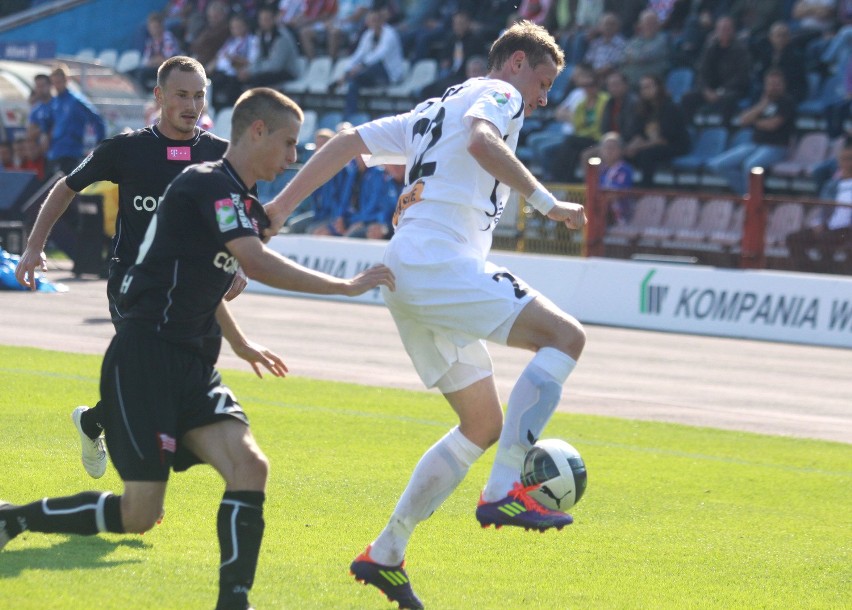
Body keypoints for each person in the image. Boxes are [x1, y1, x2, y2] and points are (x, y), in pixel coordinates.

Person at [0, 87, 395, 610]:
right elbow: (255, 263)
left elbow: (204, 282)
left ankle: (234, 601)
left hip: (193, 365)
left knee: (250, 467)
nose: (292, 156)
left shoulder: (238, 197)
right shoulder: (208, 183)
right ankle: (15, 518)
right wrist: (344, 286)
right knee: (139, 514)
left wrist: (239, 341)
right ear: (256, 132)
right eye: (288, 143)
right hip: (144, 358)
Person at [265, 20, 586, 609]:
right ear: (515, 63)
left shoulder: (430, 108)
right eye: (542, 81)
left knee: (482, 423)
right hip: (439, 262)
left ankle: (386, 552)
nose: (542, 98)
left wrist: (281, 209)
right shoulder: (500, 95)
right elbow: (482, 143)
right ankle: (506, 488)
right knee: (566, 337)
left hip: (405, 271)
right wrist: (549, 205)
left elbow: (344, 143)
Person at [16, 56, 243, 480]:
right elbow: (65, 188)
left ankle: (94, 422)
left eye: (198, 95)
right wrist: (33, 246)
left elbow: (233, 211)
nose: (191, 104)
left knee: (159, 387)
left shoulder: (219, 154)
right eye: (181, 94)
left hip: (192, 292)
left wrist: (239, 259)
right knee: (157, 382)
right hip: (132, 285)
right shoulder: (126, 149)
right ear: (159, 97)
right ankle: (142, 488)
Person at [705, 69, 796, 194]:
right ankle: (747, 195)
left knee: (751, 166)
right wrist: (761, 107)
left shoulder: (787, 102)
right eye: (770, 84)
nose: (773, 87)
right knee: (717, 165)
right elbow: (742, 120)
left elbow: (772, 125)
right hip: (754, 144)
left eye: (777, 84)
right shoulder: (760, 100)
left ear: (783, 85)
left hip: (777, 147)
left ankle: (752, 201)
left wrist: (754, 121)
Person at [786, 137, 852, 273]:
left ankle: (827, 272)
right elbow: (824, 208)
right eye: (843, 159)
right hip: (829, 226)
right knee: (794, 238)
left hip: (847, 230)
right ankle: (807, 271)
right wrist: (819, 222)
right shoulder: (831, 185)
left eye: (849, 159)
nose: (846, 163)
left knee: (825, 239)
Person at [330, 7, 406, 119]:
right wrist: (348, 70)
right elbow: (358, 54)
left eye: (375, 20)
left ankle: (342, 80)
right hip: (371, 73)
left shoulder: (390, 34)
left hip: (389, 75)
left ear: (381, 21)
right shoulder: (368, 34)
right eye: (370, 20)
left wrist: (359, 67)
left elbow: (379, 55)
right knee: (353, 84)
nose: (372, 23)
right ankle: (349, 117)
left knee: (363, 72)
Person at [32, 64, 106, 176]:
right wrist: (44, 134)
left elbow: (97, 119)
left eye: (59, 82)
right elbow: (47, 120)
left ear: (66, 80)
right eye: (54, 82)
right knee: (50, 188)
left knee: (68, 187)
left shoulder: (76, 100)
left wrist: (99, 142)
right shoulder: (55, 102)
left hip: (71, 151)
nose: (57, 86)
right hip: (54, 152)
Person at [679, 15, 752, 125]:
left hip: (732, 90)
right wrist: (706, 90)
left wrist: (720, 92)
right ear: (716, 31)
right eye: (721, 29)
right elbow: (702, 72)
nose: (724, 32)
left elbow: (741, 77)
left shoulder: (741, 50)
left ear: (733, 30)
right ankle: (689, 129)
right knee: (687, 98)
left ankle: (725, 130)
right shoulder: (710, 48)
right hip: (710, 89)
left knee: (728, 100)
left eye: (727, 29)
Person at [624, 73, 690, 187]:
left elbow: (664, 138)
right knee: (625, 154)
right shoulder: (642, 109)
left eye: (649, 86)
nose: (645, 90)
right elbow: (637, 132)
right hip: (649, 144)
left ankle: (646, 189)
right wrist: (631, 147)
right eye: (643, 87)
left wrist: (639, 147)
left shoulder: (671, 108)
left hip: (674, 145)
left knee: (647, 155)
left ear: (659, 87)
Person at [236, 3, 300, 89]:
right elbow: (258, 58)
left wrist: (253, 71)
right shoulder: (261, 35)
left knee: (257, 80)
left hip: (287, 71)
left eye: (267, 19)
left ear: (274, 19)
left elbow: (276, 65)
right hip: (269, 70)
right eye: (261, 19)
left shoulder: (281, 36)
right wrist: (248, 70)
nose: (263, 23)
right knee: (240, 78)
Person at [208, 13, 259, 112]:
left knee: (227, 87)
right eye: (233, 27)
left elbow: (252, 61)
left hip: (236, 74)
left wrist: (235, 59)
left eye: (238, 27)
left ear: (246, 26)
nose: (235, 30)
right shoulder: (231, 41)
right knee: (209, 83)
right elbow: (219, 56)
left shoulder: (252, 41)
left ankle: (227, 111)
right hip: (222, 73)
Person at [135, 11, 184, 90]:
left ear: (161, 27)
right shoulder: (151, 42)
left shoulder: (168, 38)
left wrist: (155, 61)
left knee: (142, 74)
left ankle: (143, 96)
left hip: (169, 71)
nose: (154, 30)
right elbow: (145, 61)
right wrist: (155, 60)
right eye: (152, 27)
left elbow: (168, 61)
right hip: (156, 69)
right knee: (131, 73)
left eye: (156, 27)